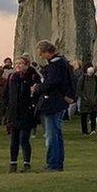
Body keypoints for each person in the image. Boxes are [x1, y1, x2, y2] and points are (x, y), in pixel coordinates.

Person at [32, 41, 73, 172]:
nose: (40, 56)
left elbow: (51, 83)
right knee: (56, 133)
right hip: (59, 102)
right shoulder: (62, 63)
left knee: (51, 135)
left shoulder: (55, 65)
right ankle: (57, 162)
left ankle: (53, 163)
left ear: (46, 52)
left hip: (53, 103)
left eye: (41, 54)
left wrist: (37, 88)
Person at [5, 56, 39, 171]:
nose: (18, 65)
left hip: (26, 111)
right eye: (17, 63)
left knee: (24, 138)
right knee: (14, 138)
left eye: (21, 63)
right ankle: (13, 163)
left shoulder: (33, 76)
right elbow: (6, 94)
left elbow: (37, 92)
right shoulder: (12, 77)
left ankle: (26, 163)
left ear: (27, 65)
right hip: (14, 111)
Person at [76, 66, 97, 135]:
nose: (90, 74)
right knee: (83, 116)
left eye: (91, 73)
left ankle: (93, 129)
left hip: (93, 100)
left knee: (93, 116)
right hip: (84, 101)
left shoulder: (96, 78)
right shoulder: (82, 78)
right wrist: (84, 97)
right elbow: (78, 89)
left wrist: (96, 97)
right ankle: (84, 131)